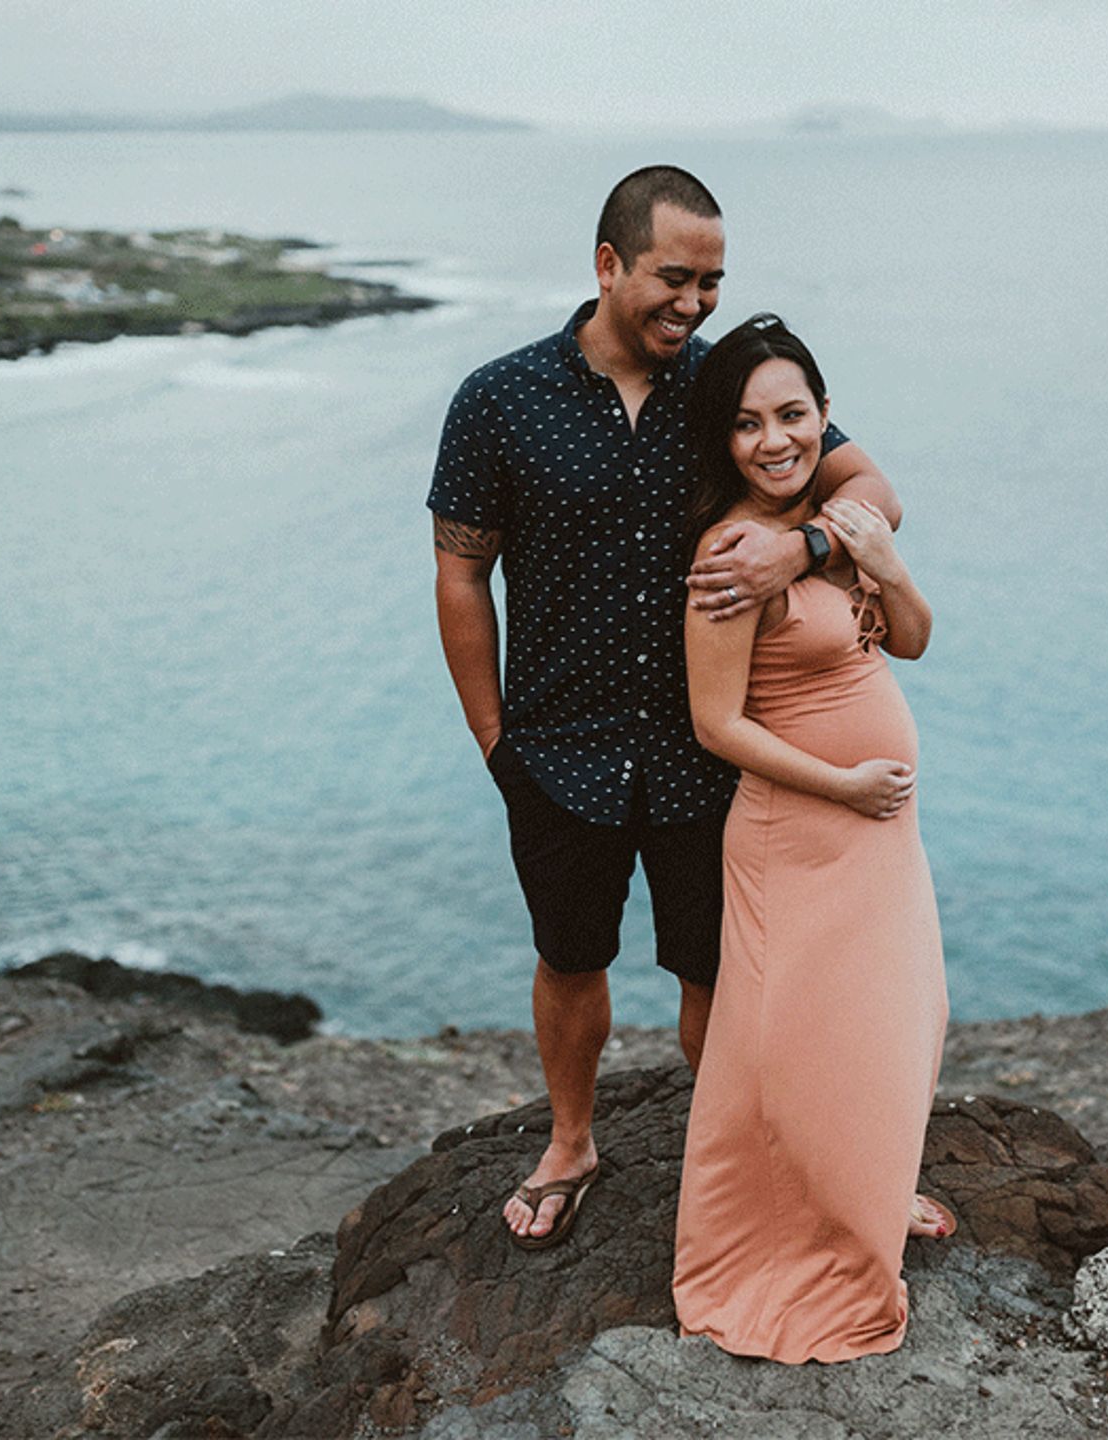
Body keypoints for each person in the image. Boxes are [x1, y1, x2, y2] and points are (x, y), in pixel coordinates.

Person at [428, 166, 901, 1249]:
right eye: (674, 278)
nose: (694, 304)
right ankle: (571, 1140)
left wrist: (804, 543)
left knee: (715, 972)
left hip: (711, 751)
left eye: (713, 283)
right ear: (608, 264)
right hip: (555, 750)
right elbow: (461, 575)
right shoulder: (499, 400)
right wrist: (494, 738)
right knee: (569, 959)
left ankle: (732, 1153)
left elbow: (877, 489)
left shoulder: (726, 389)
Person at [671, 314, 950, 1362]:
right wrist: (842, 783)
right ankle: (797, 1231)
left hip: (880, 828)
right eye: (747, 424)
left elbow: (911, 640)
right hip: (805, 826)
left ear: (828, 420)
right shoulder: (732, 553)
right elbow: (717, 724)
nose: (773, 438)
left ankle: (870, 1184)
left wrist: (884, 558)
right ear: (726, 442)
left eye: (793, 415)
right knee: (798, 1045)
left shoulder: (841, 523)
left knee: (895, 1021)